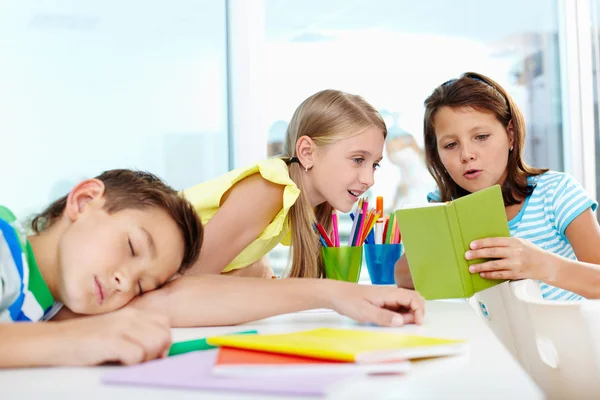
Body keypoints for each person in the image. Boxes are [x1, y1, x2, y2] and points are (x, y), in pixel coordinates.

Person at [1, 169, 425, 368]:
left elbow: (179, 298)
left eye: (143, 283)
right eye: (132, 246)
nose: (124, 281)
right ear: (83, 201)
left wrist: (334, 293)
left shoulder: (61, 302)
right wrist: (70, 341)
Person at [395, 72, 600, 300]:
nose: (467, 155)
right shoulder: (441, 206)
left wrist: (542, 265)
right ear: (437, 154)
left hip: (560, 335)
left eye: (481, 137)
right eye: (451, 144)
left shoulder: (556, 193)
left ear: (510, 135)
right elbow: (403, 276)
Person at [183, 89, 387, 278]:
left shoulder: (308, 203)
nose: (369, 180)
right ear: (307, 152)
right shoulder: (268, 189)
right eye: (358, 160)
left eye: (375, 165)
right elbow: (187, 285)